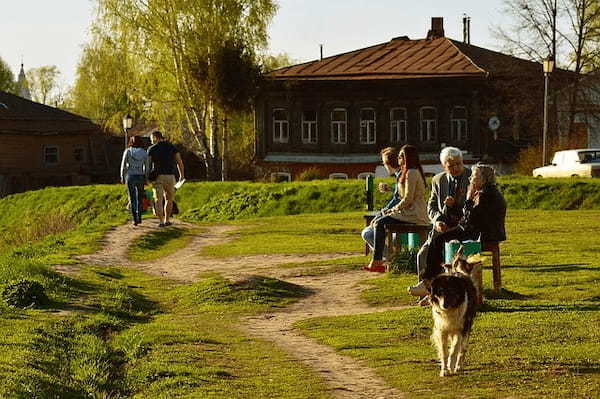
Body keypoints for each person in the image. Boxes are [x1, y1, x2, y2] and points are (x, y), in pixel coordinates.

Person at [410, 163, 507, 296]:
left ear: (483, 179)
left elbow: (469, 220)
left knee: (439, 240)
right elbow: (470, 216)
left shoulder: (484, 195)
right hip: (482, 231)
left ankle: (430, 283)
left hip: (482, 235)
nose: (470, 179)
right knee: (441, 238)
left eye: (474, 176)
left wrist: (468, 198)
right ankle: (434, 284)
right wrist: (454, 207)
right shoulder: (487, 192)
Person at [409, 147, 471, 295]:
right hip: (440, 227)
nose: (456, 168)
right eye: (451, 165)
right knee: (422, 254)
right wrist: (436, 220)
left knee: (439, 249)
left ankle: (433, 288)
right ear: (444, 166)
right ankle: (428, 293)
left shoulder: (471, 177)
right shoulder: (438, 180)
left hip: (461, 227)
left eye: (459, 164)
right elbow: (431, 206)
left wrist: (454, 206)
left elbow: (472, 209)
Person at [364, 145, 429, 273]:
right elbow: (401, 195)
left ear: (406, 158)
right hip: (407, 212)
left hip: (413, 214)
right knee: (380, 222)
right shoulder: (408, 172)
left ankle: (378, 260)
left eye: (400, 157)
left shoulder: (412, 172)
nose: (398, 160)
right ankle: (379, 259)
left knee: (379, 223)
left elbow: (408, 198)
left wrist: (393, 210)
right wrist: (391, 208)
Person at [361, 147, 402, 255]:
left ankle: (387, 257)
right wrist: (391, 189)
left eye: (384, 163)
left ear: (389, 163)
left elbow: (399, 198)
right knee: (371, 229)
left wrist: (383, 211)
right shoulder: (401, 175)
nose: (384, 166)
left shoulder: (402, 176)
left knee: (367, 233)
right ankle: (387, 257)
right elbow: (400, 194)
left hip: (402, 215)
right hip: (401, 214)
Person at [147, 130, 185, 227]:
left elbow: (148, 165)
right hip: (170, 176)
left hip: (157, 176)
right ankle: (167, 219)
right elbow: (179, 162)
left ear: (156, 138)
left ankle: (160, 221)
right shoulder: (171, 147)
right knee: (169, 199)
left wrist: (146, 177)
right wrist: (181, 175)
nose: (151, 141)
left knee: (158, 199)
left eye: (152, 139)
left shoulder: (152, 149)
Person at [120, 136, 149, 226]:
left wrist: (122, 176)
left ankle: (134, 219)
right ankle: (139, 216)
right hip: (140, 176)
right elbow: (147, 167)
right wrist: (146, 177)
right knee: (139, 197)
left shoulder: (128, 151)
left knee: (132, 197)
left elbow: (123, 165)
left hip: (130, 176)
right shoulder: (144, 152)